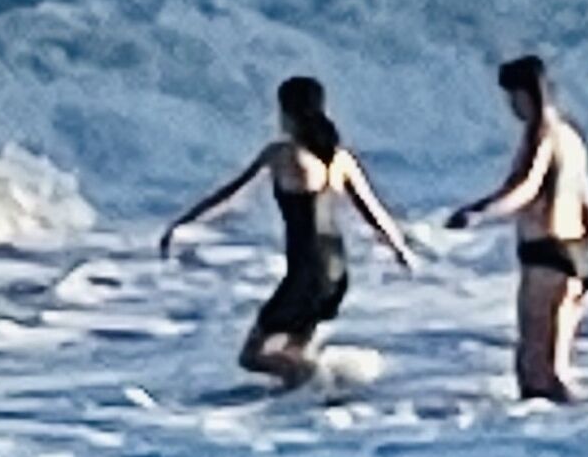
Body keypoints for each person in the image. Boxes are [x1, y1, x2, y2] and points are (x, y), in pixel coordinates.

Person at [160, 75, 415, 386]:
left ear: (287, 111)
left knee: (252, 356)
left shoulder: (282, 153)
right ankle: (319, 398)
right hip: (336, 271)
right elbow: (374, 213)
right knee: (295, 350)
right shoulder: (341, 159)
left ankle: (324, 380)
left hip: (305, 272)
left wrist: (183, 222)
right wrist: (400, 250)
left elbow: (230, 193)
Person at [446, 55, 588, 403]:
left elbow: (526, 187)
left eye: (512, 98)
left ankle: (537, 446)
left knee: (534, 364)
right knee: (556, 362)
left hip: (545, 250)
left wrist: (480, 212)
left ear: (524, 94)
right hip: (577, 250)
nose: (511, 107)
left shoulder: (540, 133)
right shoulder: (571, 135)